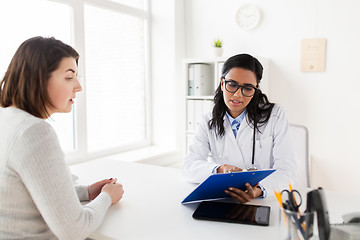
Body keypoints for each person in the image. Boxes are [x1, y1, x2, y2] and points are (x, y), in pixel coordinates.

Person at [0, 36, 124, 240]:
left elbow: (30, 194)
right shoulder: (33, 131)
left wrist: (86, 192)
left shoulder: (7, 118)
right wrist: (107, 197)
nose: (78, 87)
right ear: (38, 78)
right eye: (69, 77)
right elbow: (74, 231)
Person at [182, 53, 296, 203]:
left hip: (263, 200)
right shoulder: (208, 120)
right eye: (232, 84)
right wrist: (219, 169)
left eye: (247, 88)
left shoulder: (275, 115)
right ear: (222, 83)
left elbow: (286, 170)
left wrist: (259, 190)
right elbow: (189, 166)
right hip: (223, 200)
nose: (237, 95)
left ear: (256, 89)